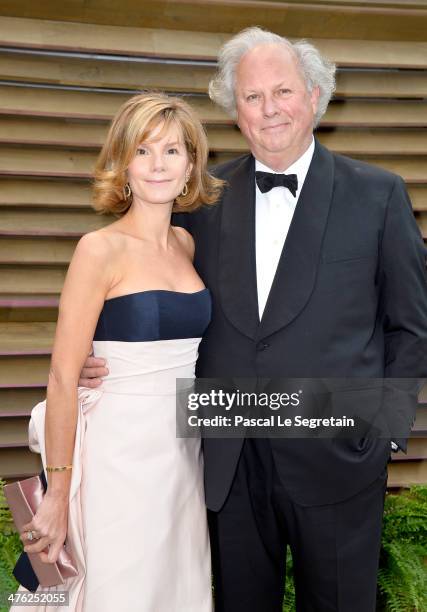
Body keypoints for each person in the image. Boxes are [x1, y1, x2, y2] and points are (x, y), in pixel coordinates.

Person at [79, 28, 427, 612]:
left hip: (338, 455)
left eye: (283, 91)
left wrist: (381, 432)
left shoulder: (380, 194)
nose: (270, 109)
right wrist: (104, 361)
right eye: (252, 96)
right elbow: (152, 291)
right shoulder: (201, 202)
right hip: (226, 457)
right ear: (233, 111)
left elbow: (413, 326)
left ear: (314, 96)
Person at [13, 92, 223, 611]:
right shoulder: (98, 248)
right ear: (124, 164)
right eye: (144, 151)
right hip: (114, 459)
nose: (158, 165)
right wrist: (58, 495)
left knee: (170, 587)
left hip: (181, 455)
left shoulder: (188, 245)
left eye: (172, 151)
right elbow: (63, 378)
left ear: (191, 164)